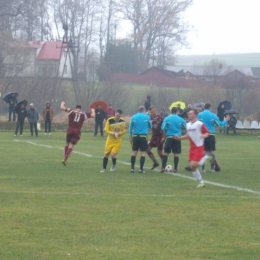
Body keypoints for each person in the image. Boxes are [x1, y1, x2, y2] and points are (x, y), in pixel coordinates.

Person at [174, 109, 210, 188]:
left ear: (195, 115)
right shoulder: (188, 125)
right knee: (192, 167)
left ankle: (206, 157)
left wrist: (204, 135)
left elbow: (207, 132)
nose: (189, 115)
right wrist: (179, 138)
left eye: (191, 113)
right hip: (192, 148)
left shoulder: (199, 124)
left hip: (199, 147)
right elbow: (188, 135)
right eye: (189, 113)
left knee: (193, 164)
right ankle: (201, 182)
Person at [198, 103, 229, 172]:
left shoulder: (200, 115)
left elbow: (196, 124)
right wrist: (225, 120)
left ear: (204, 108)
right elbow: (220, 124)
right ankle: (212, 169)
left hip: (203, 135)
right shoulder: (213, 115)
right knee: (211, 152)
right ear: (210, 108)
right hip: (211, 135)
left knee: (203, 151)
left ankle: (203, 169)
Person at [60, 101, 95, 165]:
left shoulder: (71, 110)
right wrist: (93, 110)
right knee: (71, 145)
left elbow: (62, 108)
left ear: (76, 108)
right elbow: (93, 115)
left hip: (70, 129)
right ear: (80, 109)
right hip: (77, 131)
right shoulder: (84, 113)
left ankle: (65, 157)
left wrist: (63, 103)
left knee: (67, 143)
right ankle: (66, 158)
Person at [160, 107, 186, 173]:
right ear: (177, 111)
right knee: (176, 153)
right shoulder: (181, 119)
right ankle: (175, 169)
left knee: (166, 153)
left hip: (169, 137)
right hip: (177, 137)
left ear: (171, 111)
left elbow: (163, 128)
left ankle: (163, 168)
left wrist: (164, 136)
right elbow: (186, 127)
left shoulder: (167, 118)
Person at [129, 106, 152, 173]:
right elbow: (150, 126)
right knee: (143, 153)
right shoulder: (147, 117)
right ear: (143, 110)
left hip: (135, 136)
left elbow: (130, 128)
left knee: (134, 152)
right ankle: (141, 169)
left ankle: (132, 168)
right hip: (143, 137)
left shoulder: (133, 117)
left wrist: (130, 136)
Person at [147, 106, 164, 170]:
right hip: (154, 137)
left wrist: (163, 137)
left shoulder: (160, 118)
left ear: (155, 110)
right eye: (150, 112)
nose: (151, 113)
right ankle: (155, 162)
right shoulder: (150, 118)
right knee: (147, 149)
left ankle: (164, 165)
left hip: (160, 137)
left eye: (152, 111)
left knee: (159, 153)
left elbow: (164, 128)